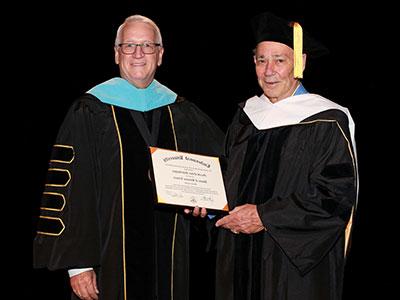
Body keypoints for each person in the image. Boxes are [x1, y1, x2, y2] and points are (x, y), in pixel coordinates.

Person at [33, 14, 224, 300]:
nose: (138, 54)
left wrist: (206, 209)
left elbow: (219, 171)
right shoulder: (89, 111)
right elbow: (72, 188)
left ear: (160, 55)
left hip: (170, 262)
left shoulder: (183, 113)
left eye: (147, 46)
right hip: (105, 264)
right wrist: (78, 265)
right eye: (129, 46)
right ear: (116, 53)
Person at [214, 11, 358, 300]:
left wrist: (265, 216)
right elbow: (224, 179)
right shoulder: (245, 117)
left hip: (293, 269)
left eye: (280, 60)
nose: (269, 71)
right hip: (238, 261)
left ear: (300, 63)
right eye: (261, 60)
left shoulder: (327, 121)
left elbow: (335, 199)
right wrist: (205, 206)